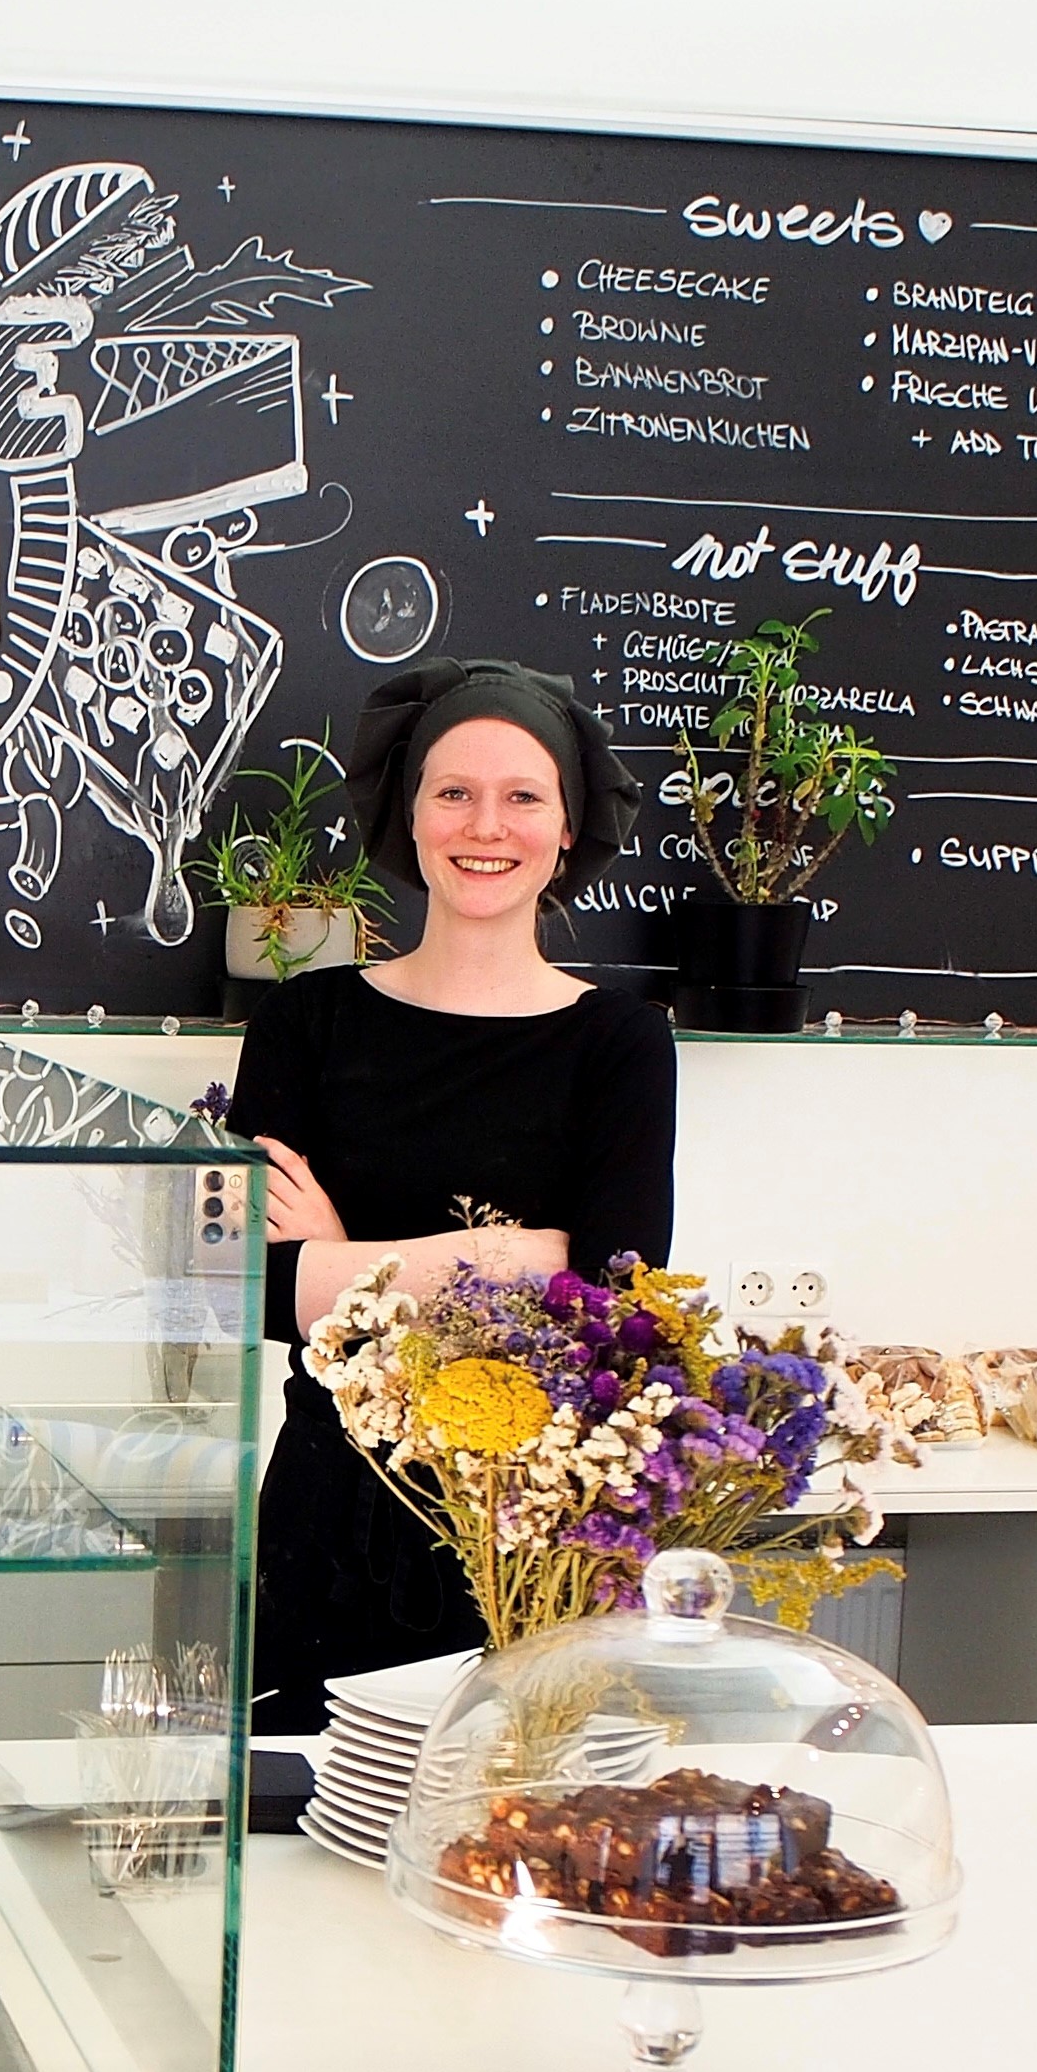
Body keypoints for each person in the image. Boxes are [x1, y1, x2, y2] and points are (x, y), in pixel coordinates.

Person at [228, 658, 677, 1709]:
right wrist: (504, 1254)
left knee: (510, 1799)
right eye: (454, 792)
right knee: (303, 1800)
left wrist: (342, 1260)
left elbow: (607, 1300)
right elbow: (247, 1289)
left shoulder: (620, 1041)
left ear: (567, 826)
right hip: (328, 1515)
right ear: (409, 812)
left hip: (529, 1523)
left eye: (523, 797)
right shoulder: (302, 1022)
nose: (486, 826)